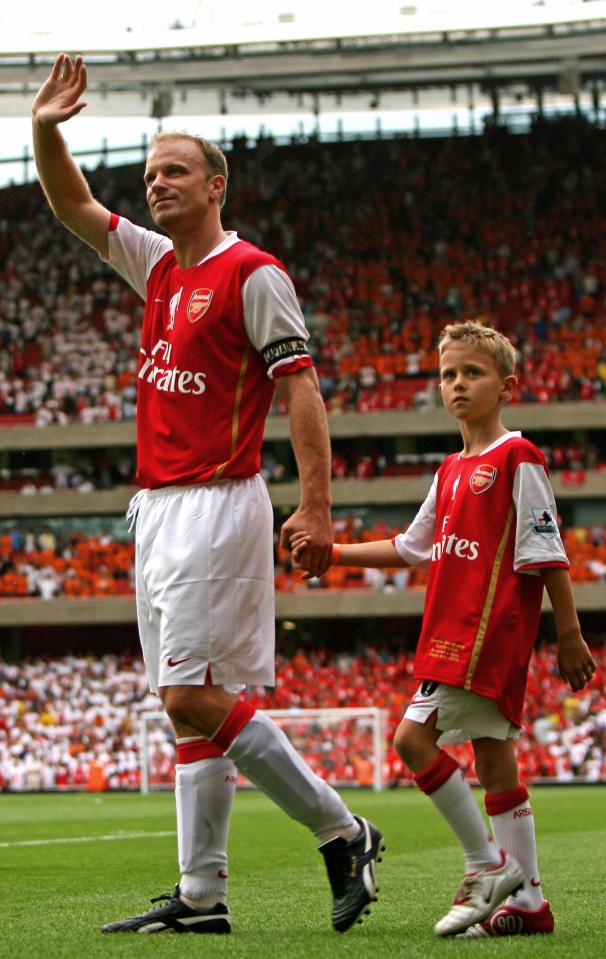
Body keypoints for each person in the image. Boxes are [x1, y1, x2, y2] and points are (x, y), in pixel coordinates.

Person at [31, 53, 383, 936]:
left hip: (218, 499)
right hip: (156, 506)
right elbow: (74, 206)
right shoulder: (156, 268)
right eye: (150, 174)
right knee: (186, 706)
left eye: (175, 170)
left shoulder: (252, 271)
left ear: (217, 184)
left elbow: (302, 389)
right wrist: (42, 131)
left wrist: (317, 506)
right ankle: (201, 894)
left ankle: (343, 828)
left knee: (192, 695)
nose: (157, 184)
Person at [292, 320, 597, 938]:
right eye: (448, 374)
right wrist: (334, 554)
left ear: (507, 386)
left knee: (411, 741)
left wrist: (568, 633)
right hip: (451, 632)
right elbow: (411, 548)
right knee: (496, 766)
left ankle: (486, 866)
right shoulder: (452, 469)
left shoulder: (518, 457)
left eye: (472, 373)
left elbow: (548, 552)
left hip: (486, 633)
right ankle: (531, 906)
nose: (458, 384)